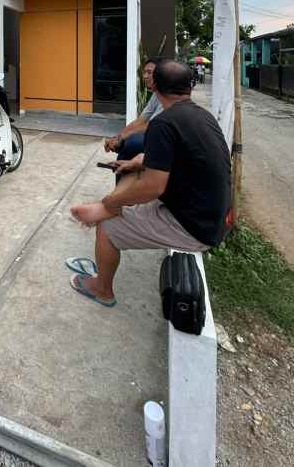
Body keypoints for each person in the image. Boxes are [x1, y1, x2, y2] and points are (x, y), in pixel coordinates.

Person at [67, 60, 230, 307]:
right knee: (130, 183)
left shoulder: (164, 122)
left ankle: (102, 289)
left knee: (108, 227)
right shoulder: (201, 115)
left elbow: (153, 187)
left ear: (154, 85)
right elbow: (179, 160)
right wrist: (137, 163)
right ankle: (105, 209)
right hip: (208, 215)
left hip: (193, 226)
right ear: (190, 87)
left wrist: (109, 202)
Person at [103, 58, 166, 174]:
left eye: (150, 72)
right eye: (144, 72)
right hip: (153, 136)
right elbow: (139, 122)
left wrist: (122, 139)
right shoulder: (155, 95)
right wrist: (118, 137)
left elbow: (150, 125)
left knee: (130, 143)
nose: (145, 76)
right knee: (126, 146)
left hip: (163, 142)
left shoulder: (167, 96)